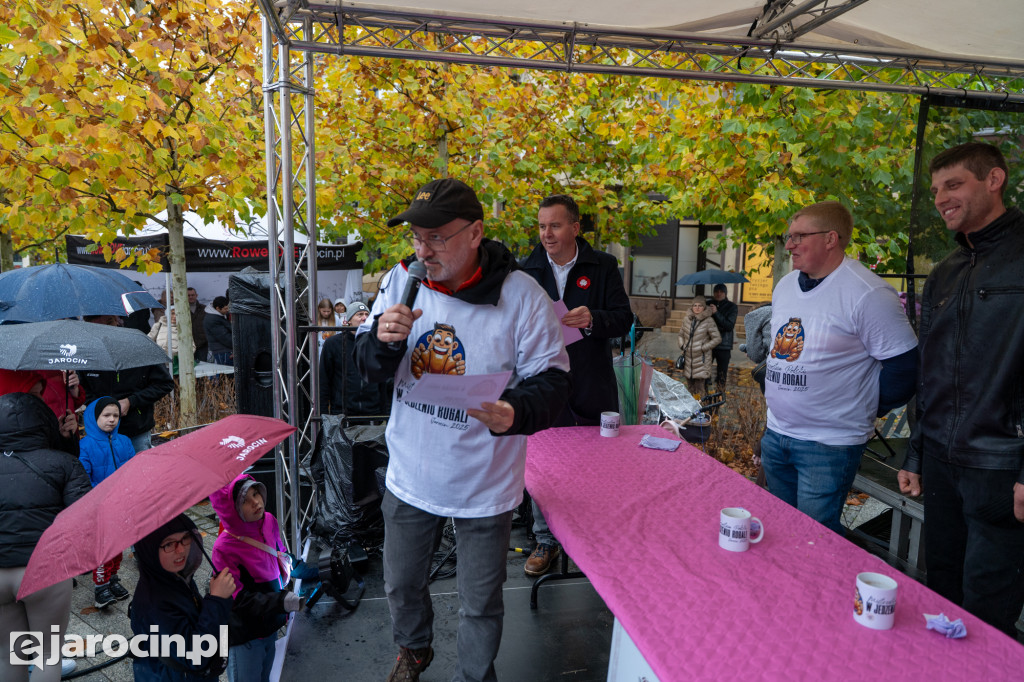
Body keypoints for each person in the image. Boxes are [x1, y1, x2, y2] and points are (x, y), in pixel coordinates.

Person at [354, 178, 570, 682]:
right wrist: (381, 344)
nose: (422, 250)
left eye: (436, 238)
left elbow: (554, 380)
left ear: (475, 233)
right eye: (416, 238)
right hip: (410, 473)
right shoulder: (399, 281)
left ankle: (474, 675)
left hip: (484, 484)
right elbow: (366, 369)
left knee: (480, 602)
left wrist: (516, 411)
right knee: (401, 583)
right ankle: (414, 648)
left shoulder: (522, 297)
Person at [897, 142, 1024, 639]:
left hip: (1001, 468)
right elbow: (930, 371)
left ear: (994, 180)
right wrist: (915, 453)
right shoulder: (946, 271)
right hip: (944, 465)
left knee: (986, 613)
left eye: (954, 185)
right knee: (942, 596)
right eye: (935, 190)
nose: (941, 198)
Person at [761, 200, 918, 534]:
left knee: (813, 539)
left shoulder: (868, 293)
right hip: (776, 433)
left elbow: (905, 369)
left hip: (828, 443)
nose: (790, 245)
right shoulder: (786, 285)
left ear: (831, 239)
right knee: (780, 531)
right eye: (789, 237)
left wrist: (866, 407)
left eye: (799, 236)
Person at [519, 193, 633, 576]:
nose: (546, 234)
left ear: (575, 227)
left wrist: (592, 319)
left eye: (554, 225)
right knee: (544, 466)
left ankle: (593, 541)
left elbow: (623, 319)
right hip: (543, 383)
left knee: (594, 466)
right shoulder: (527, 270)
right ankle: (545, 540)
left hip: (591, 382)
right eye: (541, 226)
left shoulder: (602, 266)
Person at [0, 392, 92, 682]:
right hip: (47, 571)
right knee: (48, 655)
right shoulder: (64, 464)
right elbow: (83, 517)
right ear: (43, 422)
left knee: (8, 654)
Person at [210, 474, 301, 682]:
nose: (256, 502)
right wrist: (281, 601)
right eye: (245, 501)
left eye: (255, 492)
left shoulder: (269, 520)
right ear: (231, 510)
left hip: (270, 625)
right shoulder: (224, 548)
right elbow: (237, 599)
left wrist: (299, 567)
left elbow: (280, 554)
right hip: (246, 637)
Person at [130, 514, 235, 682]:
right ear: (149, 550)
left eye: (185, 538)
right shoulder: (154, 603)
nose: (181, 550)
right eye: (169, 544)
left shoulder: (176, 577)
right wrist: (217, 601)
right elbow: (196, 655)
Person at [82, 315, 176, 453]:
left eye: (104, 325)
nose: (99, 333)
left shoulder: (139, 345)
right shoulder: (85, 351)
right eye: (93, 327)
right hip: (100, 432)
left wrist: (131, 401)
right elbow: (84, 390)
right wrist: (101, 407)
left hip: (136, 430)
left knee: (139, 472)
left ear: (114, 321)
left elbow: (164, 384)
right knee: (108, 473)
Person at [79, 397, 136, 608]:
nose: (111, 420)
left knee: (118, 546)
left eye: (115, 415)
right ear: (94, 418)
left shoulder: (125, 441)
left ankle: (113, 579)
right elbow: (83, 478)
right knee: (103, 549)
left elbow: (132, 469)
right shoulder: (85, 445)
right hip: (100, 506)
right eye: (106, 415)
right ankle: (100, 587)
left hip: (122, 505)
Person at [320, 302, 388, 417]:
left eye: (367, 314)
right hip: (342, 413)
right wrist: (324, 413)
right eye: (359, 314)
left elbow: (385, 381)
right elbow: (324, 380)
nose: (364, 318)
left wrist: (385, 412)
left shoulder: (378, 343)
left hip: (372, 413)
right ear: (349, 320)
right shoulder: (333, 343)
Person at [676, 297, 721, 396]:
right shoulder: (686, 319)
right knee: (690, 388)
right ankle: (691, 409)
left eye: (700, 306)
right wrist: (682, 345)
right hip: (688, 360)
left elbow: (717, 338)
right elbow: (680, 335)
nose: (697, 308)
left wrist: (703, 348)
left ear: (704, 307)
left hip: (702, 360)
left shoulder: (709, 321)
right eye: (695, 305)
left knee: (700, 390)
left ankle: (700, 409)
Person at [707, 283, 738, 391]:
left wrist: (716, 313)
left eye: (721, 291)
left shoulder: (732, 307)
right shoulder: (707, 304)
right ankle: (703, 396)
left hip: (723, 345)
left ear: (725, 293)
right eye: (716, 291)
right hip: (708, 344)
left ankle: (719, 396)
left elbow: (729, 325)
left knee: (722, 374)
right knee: (703, 372)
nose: (718, 294)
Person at [149, 307, 194, 374]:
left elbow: (192, 347)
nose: (174, 316)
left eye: (177, 314)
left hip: (176, 366)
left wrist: (182, 357)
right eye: (172, 313)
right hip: (160, 364)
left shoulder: (184, 328)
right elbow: (149, 340)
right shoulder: (158, 325)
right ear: (167, 314)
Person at [740, 302, 773, 394]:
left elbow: (756, 354)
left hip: (772, 370)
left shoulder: (755, 315)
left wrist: (749, 350)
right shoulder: (784, 312)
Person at [204, 296, 233, 365]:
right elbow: (225, 338)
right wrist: (239, 346)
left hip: (224, 350)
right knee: (228, 374)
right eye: (225, 308)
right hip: (223, 351)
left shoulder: (219, 316)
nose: (228, 310)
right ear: (217, 308)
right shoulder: (213, 319)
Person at [188, 287, 209, 365]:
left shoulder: (204, 309)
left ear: (196, 295)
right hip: (187, 344)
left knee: (203, 366)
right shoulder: (181, 309)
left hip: (202, 344)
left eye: (192, 295)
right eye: (188, 295)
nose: (191, 297)